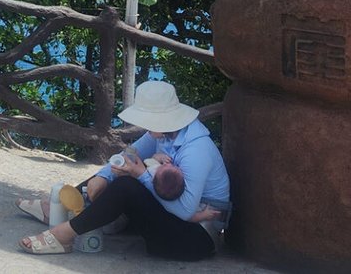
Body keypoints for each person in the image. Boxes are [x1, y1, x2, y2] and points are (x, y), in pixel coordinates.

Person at [17, 79, 232, 259]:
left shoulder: (196, 150)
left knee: (126, 186)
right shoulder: (166, 133)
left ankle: (64, 234)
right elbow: (129, 154)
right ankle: (60, 209)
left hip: (194, 238)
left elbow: (185, 210)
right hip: (172, 219)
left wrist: (141, 174)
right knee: (116, 172)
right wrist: (102, 176)